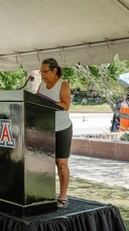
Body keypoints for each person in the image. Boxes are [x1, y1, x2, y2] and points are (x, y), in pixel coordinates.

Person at [37, 58, 72, 209]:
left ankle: (63, 196)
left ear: (54, 71)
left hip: (62, 128)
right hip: (46, 128)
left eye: (45, 72)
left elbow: (66, 105)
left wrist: (49, 104)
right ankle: (46, 193)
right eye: (41, 72)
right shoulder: (42, 85)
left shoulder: (62, 85)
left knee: (61, 163)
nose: (42, 75)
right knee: (45, 163)